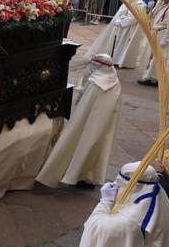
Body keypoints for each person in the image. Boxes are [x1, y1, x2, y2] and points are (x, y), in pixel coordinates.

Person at [37, 54, 121, 189]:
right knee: (93, 148)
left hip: (85, 122)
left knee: (75, 143)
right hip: (102, 125)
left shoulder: (96, 84)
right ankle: (85, 177)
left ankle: (72, 175)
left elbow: (83, 106)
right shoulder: (114, 81)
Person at [86, 0, 145, 68]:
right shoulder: (127, 2)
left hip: (129, 28)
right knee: (118, 44)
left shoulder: (140, 5)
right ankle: (116, 59)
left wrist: (122, 22)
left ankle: (122, 61)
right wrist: (118, 19)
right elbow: (120, 12)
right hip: (120, 27)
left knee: (125, 45)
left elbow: (134, 18)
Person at [137, 0, 169, 86]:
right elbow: (151, 18)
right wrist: (150, 9)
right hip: (154, 32)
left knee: (158, 57)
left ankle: (154, 77)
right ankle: (148, 75)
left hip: (162, 33)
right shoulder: (159, 6)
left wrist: (166, 39)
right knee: (150, 55)